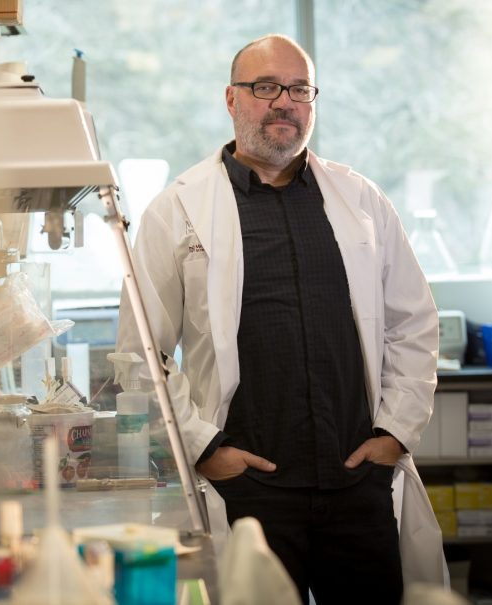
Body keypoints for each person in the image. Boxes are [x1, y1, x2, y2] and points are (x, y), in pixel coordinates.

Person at [115, 34, 446, 603]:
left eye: (299, 89)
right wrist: (205, 448)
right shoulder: (178, 211)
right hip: (250, 491)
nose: (284, 103)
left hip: (356, 482)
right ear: (231, 99)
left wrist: (393, 435)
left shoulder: (360, 201)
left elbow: (414, 323)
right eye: (265, 87)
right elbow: (138, 354)